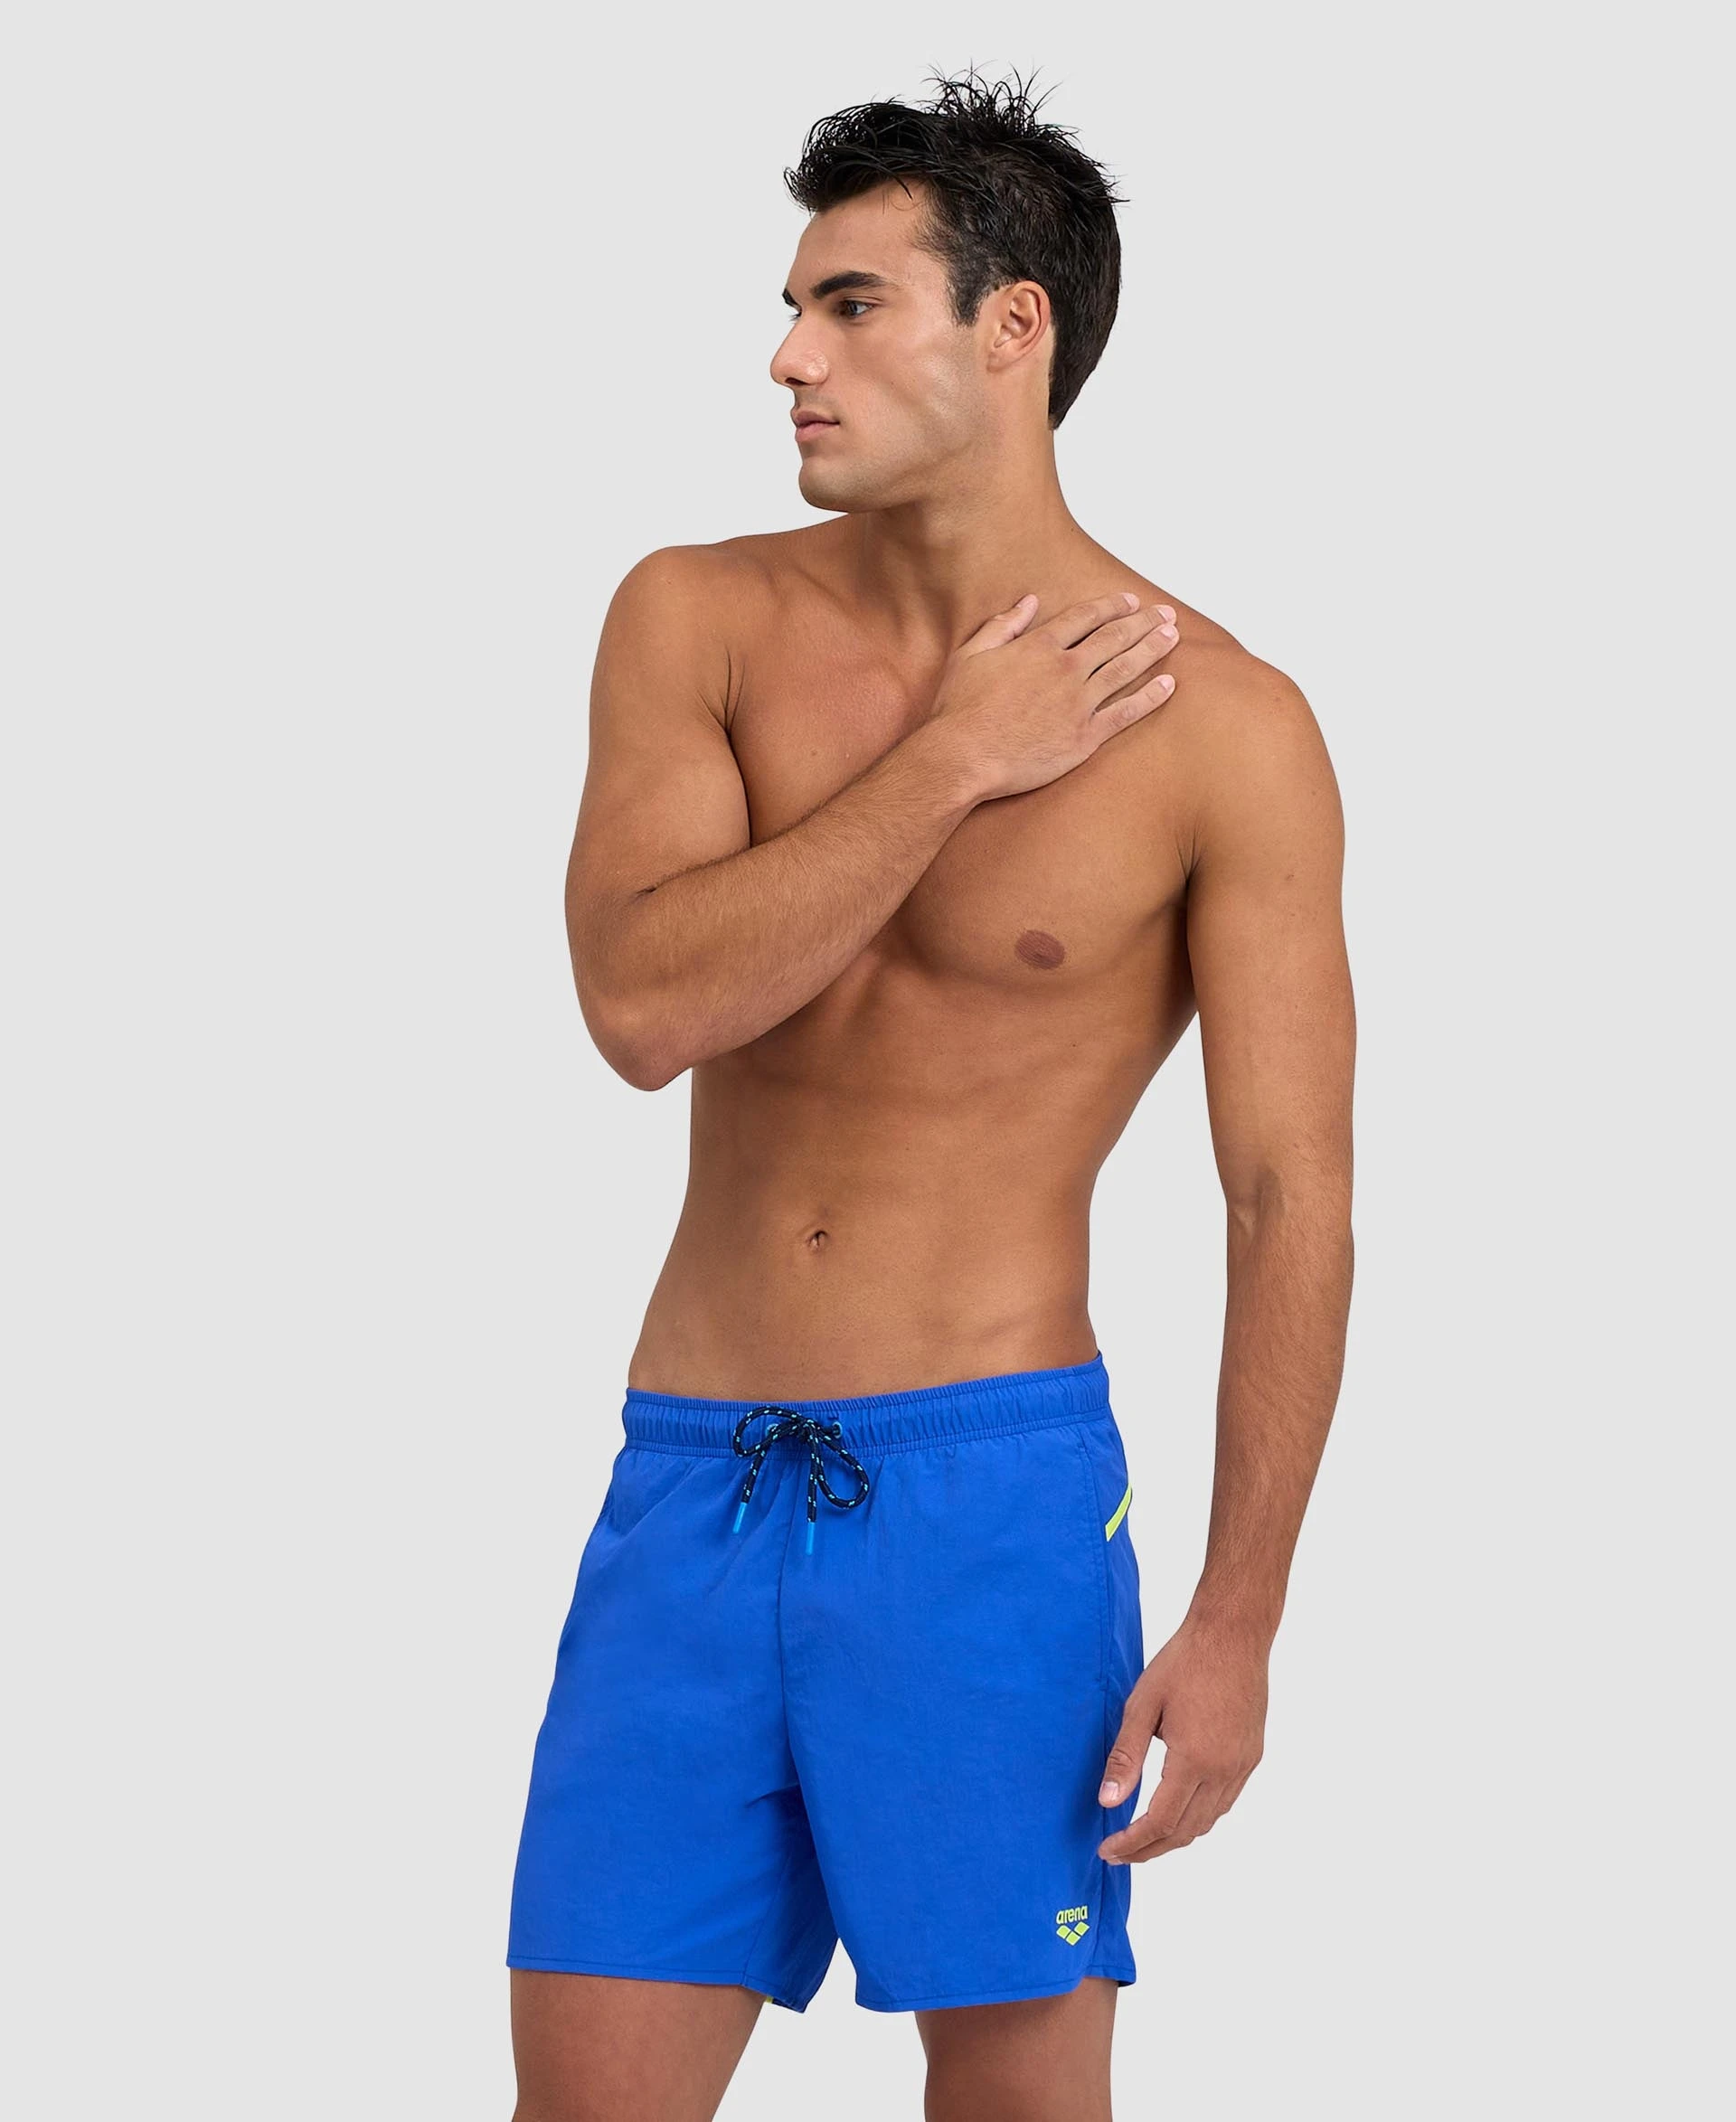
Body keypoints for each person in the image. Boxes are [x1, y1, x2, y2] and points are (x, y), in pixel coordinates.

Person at [506, 71, 1354, 2122]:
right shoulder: (696, 618)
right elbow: (644, 1005)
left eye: (850, 303)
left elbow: (1287, 1197)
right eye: (794, 308)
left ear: (1012, 328)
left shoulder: (1228, 730)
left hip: (991, 1507)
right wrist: (958, 754)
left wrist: (1239, 1617)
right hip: (690, 1489)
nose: (788, 358)